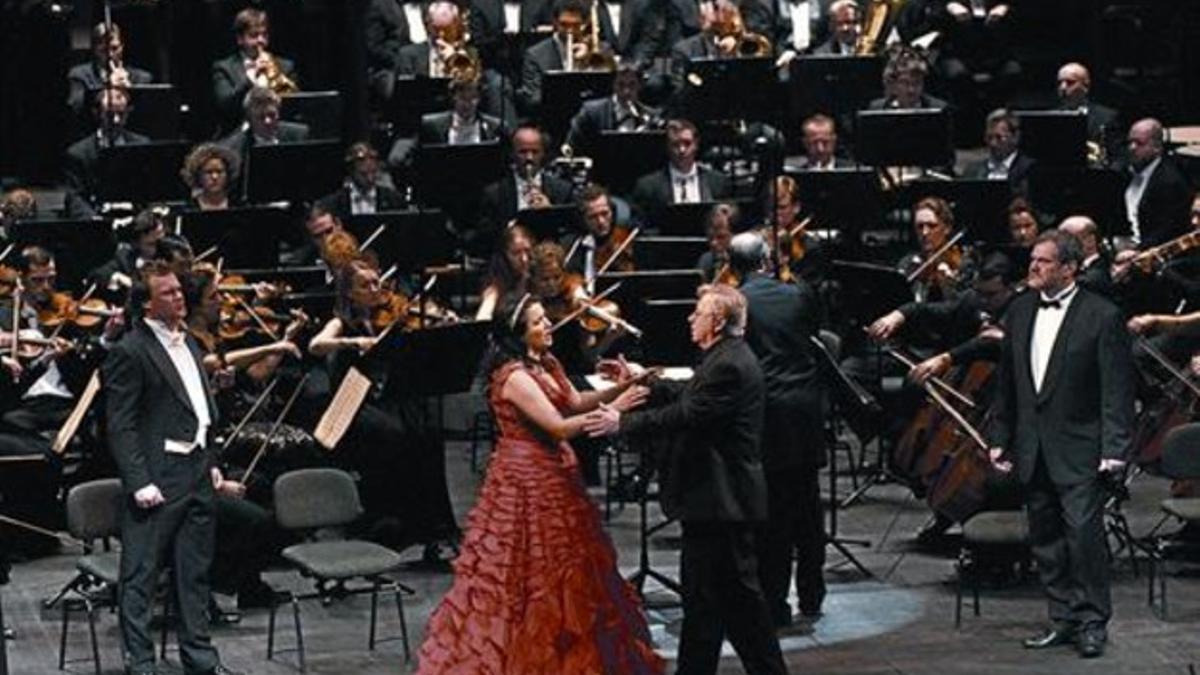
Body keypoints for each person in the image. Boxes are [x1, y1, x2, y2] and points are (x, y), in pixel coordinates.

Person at [416, 292, 662, 674]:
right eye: (537, 322)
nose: (548, 325)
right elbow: (558, 426)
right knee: (526, 572)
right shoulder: (513, 377)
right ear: (518, 333)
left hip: (557, 475)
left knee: (571, 567)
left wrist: (626, 386)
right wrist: (616, 409)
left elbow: (576, 401)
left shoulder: (546, 363)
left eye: (545, 319)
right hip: (526, 480)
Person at [586, 283, 788, 675]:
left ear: (715, 321)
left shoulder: (728, 364)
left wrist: (621, 421)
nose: (690, 318)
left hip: (723, 503)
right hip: (711, 503)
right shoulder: (722, 357)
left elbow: (687, 413)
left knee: (739, 607)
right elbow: (688, 391)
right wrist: (643, 380)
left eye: (697, 313)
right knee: (703, 605)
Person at [988, 230, 1135, 659]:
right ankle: (1062, 617)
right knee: (1046, 540)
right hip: (1033, 447)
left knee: (1083, 539)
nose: (1034, 266)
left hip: (1082, 449)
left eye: (1044, 261)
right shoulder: (1018, 311)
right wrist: (1001, 437)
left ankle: (1092, 621)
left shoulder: (1102, 315)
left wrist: (1115, 450)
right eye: (1033, 259)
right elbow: (1008, 386)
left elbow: (1116, 391)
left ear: (1069, 268)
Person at [103, 261, 245, 675]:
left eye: (179, 291)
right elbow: (122, 423)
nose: (179, 296)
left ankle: (200, 658)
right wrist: (138, 480)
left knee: (193, 573)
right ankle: (142, 663)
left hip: (197, 472)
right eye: (168, 293)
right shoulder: (131, 350)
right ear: (147, 305)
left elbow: (199, 410)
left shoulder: (192, 344)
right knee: (141, 575)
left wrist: (211, 461)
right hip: (159, 477)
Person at [727, 231, 827, 627]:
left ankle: (775, 603)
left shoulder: (738, 302)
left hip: (767, 416)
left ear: (734, 266)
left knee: (775, 517)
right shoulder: (800, 293)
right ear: (767, 260)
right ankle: (813, 594)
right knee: (808, 509)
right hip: (805, 410)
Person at [478, 124, 575, 253]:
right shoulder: (494, 194)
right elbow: (483, 238)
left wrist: (550, 214)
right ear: (512, 154)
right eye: (523, 152)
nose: (529, 158)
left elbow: (569, 234)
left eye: (535, 152)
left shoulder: (562, 190)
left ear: (543, 154)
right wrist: (511, 229)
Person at [63, 86, 149, 219]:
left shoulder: (142, 145)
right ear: (96, 113)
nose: (116, 120)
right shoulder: (79, 153)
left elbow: (151, 190)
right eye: (109, 115)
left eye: (121, 114)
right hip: (99, 219)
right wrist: (94, 220)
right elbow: (75, 197)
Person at [212, 8, 298, 131]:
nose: (261, 41)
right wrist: (250, 79)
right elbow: (225, 106)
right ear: (240, 39)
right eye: (254, 35)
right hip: (238, 133)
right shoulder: (223, 67)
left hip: (276, 131)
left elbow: (294, 105)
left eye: (264, 35)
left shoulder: (286, 66)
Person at [630, 119, 732, 223]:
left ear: (696, 145)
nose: (682, 150)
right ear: (667, 147)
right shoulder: (648, 186)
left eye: (687, 144)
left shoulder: (717, 182)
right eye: (675, 144)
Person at [1123, 117, 1192, 248]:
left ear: (1157, 147)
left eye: (1139, 143)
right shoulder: (1125, 173)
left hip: (1150, 253)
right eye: (1130, 142)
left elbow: (1168, 232)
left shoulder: (1171, 183)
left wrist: (1137, 252)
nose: (1132, 148)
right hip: (1128, 245)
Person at [565, 65, 662, 155]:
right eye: (621, 85)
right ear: (613, 85)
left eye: (632, 85)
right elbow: (572, 146)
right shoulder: (591, 112)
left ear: (640, 86)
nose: (626, 91)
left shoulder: (651, 117)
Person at [67, 22, 153, 120]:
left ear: (122, 46)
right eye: (103, 50)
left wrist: (130, 90)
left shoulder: (142, 78)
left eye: (114, 48)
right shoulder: (79, 75)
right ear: (95, 50)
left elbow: (149, 115)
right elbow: (76, 109)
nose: (110, 55)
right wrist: (108, 88)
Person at [316, 142, 407, 219]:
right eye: (363, 174)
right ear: (350, 170)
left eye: (373, 172)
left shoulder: (395, 201)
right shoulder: (331, 205)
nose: (370, 179)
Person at [962, 108, 1034, 196]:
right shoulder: (972, 171)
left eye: (999, 138)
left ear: (1015, 137)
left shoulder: (1029, 171)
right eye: (989, 138)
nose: (993, 143)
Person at [475, 222, 533, 320]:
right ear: (505, 255)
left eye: (527, 251)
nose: (524, 259)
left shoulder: (538, 274)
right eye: (516, 253)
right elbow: (483, 318)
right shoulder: (494, 285)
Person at [868, 45, 947, 110]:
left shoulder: (939, 109)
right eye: (905, 83)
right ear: (893, 84)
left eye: (917, 83)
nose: (911, 90)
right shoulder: (877, 108)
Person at [181, 143, 240, 212]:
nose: (214, 177)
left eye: (219, 171)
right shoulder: (189, 209)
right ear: (198, 176)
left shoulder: (238, 206)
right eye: (208, 172)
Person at [786, 113, 851, 171]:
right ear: (805, 143)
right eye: (814, 143)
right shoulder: (792, 171)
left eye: (825, 142)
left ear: (834, 140)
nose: (820, 149)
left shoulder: (851, 169)